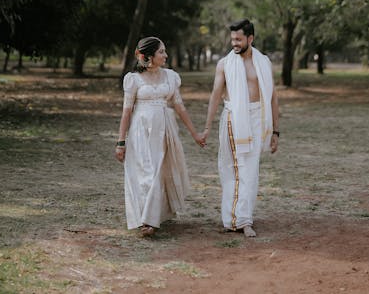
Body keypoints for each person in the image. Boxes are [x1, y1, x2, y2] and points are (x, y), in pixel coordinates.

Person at [115, 36, 205, 236]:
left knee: (157, 172)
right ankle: (146, 218)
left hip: (165, 130)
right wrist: (120, 142)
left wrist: (195, 134)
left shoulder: (171, 77)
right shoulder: (133, 80)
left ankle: (151, 220)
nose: (166, 55)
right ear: (148, 56)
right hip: (140, 131)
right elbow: (126, 111)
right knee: (144, 174)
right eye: (161, 52)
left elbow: (180, 107)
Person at [201, 18, 279, 237]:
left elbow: (272, 97)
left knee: (251, 170)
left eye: (238, 39)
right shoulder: (225, 64)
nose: (234, 43)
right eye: (232, 38)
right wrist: (207, 127)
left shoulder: (263, 62)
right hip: (234, 119)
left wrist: (276, 131)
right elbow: (215, 95)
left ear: (250, 38)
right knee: (234, 169)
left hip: (258, 120)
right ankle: (236, 219)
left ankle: (243, 216)